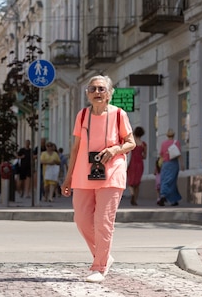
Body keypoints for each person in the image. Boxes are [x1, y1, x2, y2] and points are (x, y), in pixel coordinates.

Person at [61, 75, 136, 283]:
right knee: (82, 220)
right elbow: (75, 148)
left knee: (103, 221)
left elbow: (131, 143)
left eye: (102, 89)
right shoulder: (83, 115)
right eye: (93, 89)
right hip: (84, 173)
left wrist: (114, 149)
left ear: (110, 93)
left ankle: (99, 266)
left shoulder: (119, 115)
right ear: (87, 94)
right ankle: (104, 255)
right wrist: (68, 178)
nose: (97, 92)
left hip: (112, 172)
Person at [157, 129, 183, 206]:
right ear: (173, 135)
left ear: (167, 135)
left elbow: (161, 154)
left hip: (165, 164)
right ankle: (164, 196)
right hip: (174, 164)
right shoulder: (176, 143)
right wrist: (182, 164)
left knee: (165, 180)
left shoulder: (163, 143)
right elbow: (179, 154)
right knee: (172, 181)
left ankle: (172, 199)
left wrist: (159, 164)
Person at [126, 126, 146, 206]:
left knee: (130, 182)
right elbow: (145, 156)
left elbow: (128, 153)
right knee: (137, 183)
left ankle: (132, 194)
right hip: (140, 164)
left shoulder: (132, 143)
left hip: (132, 163)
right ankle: (135, 199)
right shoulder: (144, 144)